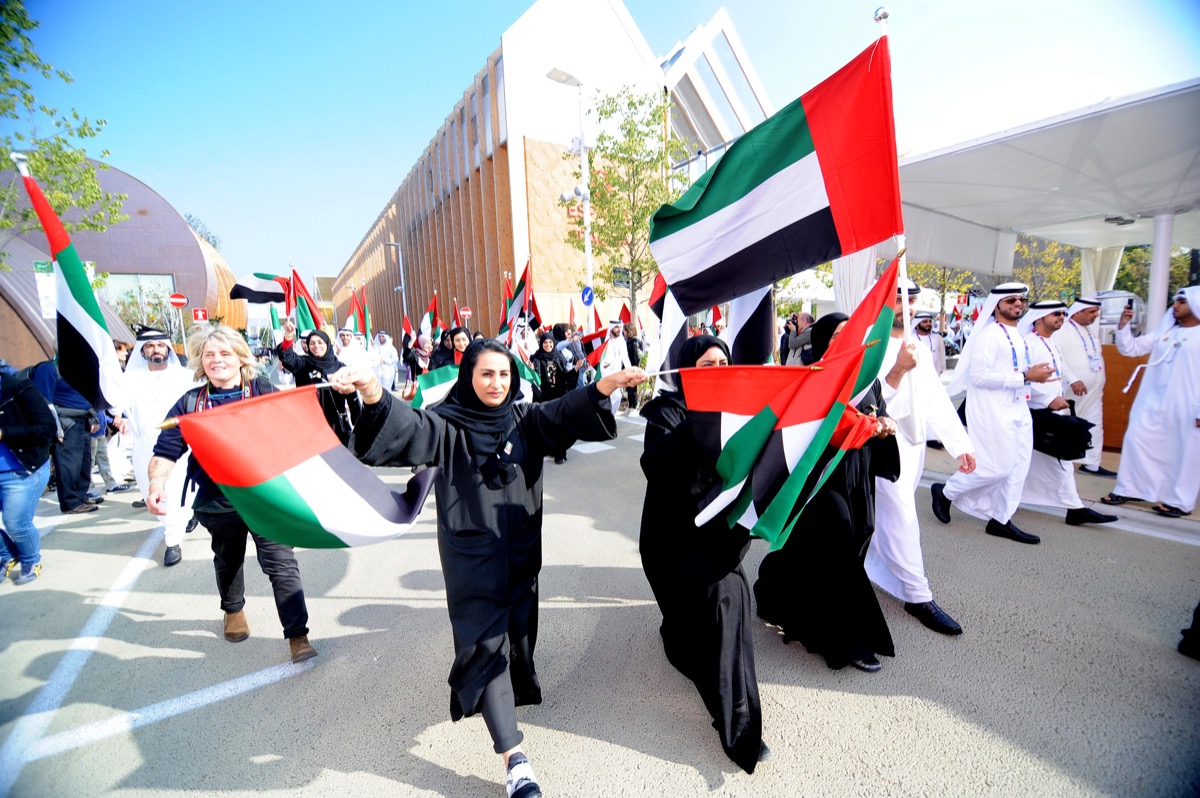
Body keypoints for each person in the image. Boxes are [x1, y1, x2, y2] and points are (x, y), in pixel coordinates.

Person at [333, 339, 646, 798]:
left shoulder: (524, 419)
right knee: (485, 644)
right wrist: (374, 394)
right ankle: (514, 759)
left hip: (519, 550)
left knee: (517, 631)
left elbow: (562, 411)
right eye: (486, 374)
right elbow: (408, 427)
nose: (496, 383)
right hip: (471, 557)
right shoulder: (447, 424)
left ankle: (506, 693)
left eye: (503, 374)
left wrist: (604, 385)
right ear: (469, 377)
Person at [148, 324, 316, 664]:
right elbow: (166, 450)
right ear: (201, 361)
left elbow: (297, 426)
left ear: (241, 357)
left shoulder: (263, 390)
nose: (216, 360)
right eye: (209, 354)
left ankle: (297, 634)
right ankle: (233, 611)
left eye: (224, 353)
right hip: (217, 501)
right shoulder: (191, 402)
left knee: (281, 564)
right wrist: (156, 483)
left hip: (266, 497)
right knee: (229, 560)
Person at [639, 334, 768, 772]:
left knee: (729, 603)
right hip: (672, 537)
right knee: (706, 610)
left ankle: (737, 715)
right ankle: (732, 715)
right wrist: (700, 420)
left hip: (718, 536)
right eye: (705, 365)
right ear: (687, 370)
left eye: (723, 363)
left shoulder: (744, 413)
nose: (716, 370)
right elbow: (655, 465)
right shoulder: (667, 410)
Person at [755, 314, 901, 673]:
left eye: (852, 332)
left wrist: (886, 426)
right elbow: (815, 432)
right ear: (821, 341)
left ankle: (773, 590)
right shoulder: (812, 378)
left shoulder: (869, 380)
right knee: (840, 547)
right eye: (839, 334)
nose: (848, 339)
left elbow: (878, 414)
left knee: (824, 547)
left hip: (856, 475)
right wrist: (864, 427)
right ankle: (846, 641)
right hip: (820, 480)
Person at [867, 284, 976, 636]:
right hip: (880, 446)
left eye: (910, 299)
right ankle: (917, 595)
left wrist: (959, 444)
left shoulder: (917, 344)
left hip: (913, 447)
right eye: (898, 298)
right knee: (902, 518)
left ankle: (872, 566)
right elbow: (861, 399)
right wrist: (897, 371)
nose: (905, 306)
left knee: (890, 516)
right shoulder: (869, 340)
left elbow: (935, 399)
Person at [931, 283, 1050, 544]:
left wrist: (1031, 375)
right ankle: (946, 492)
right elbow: (980, 377)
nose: (1018, 304)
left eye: (1020, 300)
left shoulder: (1019, 334)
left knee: (1019, 467)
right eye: (1011, 300)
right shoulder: (989, 335)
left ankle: (1001, 519)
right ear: (997, 305)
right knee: (998, 467)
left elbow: (1015, 370)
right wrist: (1025, 376)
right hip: (991, 409)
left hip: (1018, 405)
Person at [1102, 287, 1200, 517]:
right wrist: (1124, 326)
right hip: (1152, 401)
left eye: (1181, 302)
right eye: (1175, 301)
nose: (1175, 305)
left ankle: (1180, 501)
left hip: (1188, 406)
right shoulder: (1165, 332)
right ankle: (1130, 488)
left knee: (1186, 452)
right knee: (1138, 439)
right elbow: (1130, 348)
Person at [1018, 301, 1118, 526]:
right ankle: (952, 492)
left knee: (1059, 462)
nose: (1061, 318)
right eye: (1056, 314)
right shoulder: (1027, 344)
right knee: (1016, 463)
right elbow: (1020, 379)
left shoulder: (1050, 343)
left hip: (1051, 414)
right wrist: (1047, 399)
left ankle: (1075, 508)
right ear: (1040, 317)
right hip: (1032, 413)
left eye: (1063, 314)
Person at [117, 327, 203, 566]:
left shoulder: (184, 375)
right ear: (143, 351)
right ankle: (176, 522)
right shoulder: (130, 378)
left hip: (178, 445)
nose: (156, 350)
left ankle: (173, 542)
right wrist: (122, 418)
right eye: (150, 346)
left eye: (160, 345)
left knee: (175, 490)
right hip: (145, 447)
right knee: (151, 491)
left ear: (167, 348)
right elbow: (122, 406)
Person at [0, 363, 57, 585]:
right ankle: (7, 554)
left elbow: (47, 428)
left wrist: (4, 433)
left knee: (16, 523)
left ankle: (30, 560)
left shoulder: (19, 388)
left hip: (21, 471)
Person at [29, 360, 103, 515]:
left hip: (83, 420)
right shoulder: (48, 369)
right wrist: (56, 428)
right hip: (66, 422)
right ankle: (70, 502)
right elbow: (43, 401)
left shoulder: (76, 368)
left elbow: (86, 395)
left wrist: (93, 417)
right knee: (69, 465)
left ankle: (80, 497)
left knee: (83, 463)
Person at [1052, 297, 1114, 476]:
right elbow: (1057, 357)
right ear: (1078, 312)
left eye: (1097, 311)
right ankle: (1060, 462)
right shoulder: (1062, 330)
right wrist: (1072, 379)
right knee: (1067, 424)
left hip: (1093, 390)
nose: (1096, 315)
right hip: (1071, 390)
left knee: (1095, 424)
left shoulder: (1089, 331)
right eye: (1092, 312)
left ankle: (1091, 464)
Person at [278, 322, 362, 444]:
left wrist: (358, 421)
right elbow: (288, 357)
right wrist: (289, 336)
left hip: (337, 425)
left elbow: (351, 395)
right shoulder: (303, 364)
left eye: (320, 342)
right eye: (312, 343)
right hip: (311, 424)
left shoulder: (340, 366)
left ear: (327, 344)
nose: (316, 346)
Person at [530, 332, 571, 464]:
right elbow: (534, 376)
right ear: (541, 344)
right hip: (543, 397)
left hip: (558, 396)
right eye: (545, 343)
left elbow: (566, 375)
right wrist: (532, 369)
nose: (548, 345)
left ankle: (560, 453)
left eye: (550, 343)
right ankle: (548, 449)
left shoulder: (559, 357)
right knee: (544, 425)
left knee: (559, 424)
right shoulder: (536, 358)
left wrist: (575, 369)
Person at [599, 322, 632, 415]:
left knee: (617, 397)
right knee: (604, 399)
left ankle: (610, 417)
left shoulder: (621, 341)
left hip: (617, 374)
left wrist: (629, 370)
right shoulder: (605, 342)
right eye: (617, 327)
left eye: (620, 327)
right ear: (611, 328)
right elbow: (600, 357)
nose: (619, 329)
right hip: (605, 374)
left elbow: (625, 357)